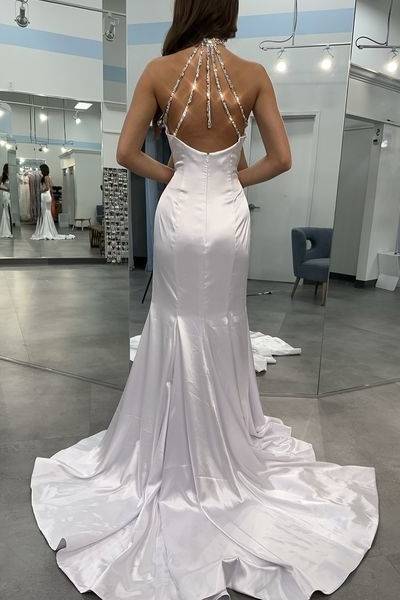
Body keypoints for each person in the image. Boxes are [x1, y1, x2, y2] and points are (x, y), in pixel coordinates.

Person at [30, 1, 379, 599]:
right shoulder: (253, 75)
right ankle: (225, 435)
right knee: (223, 320)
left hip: (180, 208)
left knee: (175, 320)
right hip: (227, 215)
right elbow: (282, 158)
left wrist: (177, 176)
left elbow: (126, 152)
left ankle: (169, 443)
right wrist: (231, 178)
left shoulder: (159, 71)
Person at [30, 164, 74, 240]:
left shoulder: (45, 177)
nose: (40, 171)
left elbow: (47, 187)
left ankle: (46, 231)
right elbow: (51, 186)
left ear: (43, 170)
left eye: (40, 170)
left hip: (45, 195)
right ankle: (48, 230)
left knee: (45, 212)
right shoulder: (48, 177)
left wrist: (41, 190)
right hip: (47, 196)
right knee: (46, 212)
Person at [0, 163, 13, 238]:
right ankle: (6, 229)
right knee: (7, 210)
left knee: (10, 211)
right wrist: (6, 189)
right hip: (6, 195)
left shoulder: (11, 176)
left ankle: (10, 229)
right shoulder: (2, 177)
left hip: (11, 195)